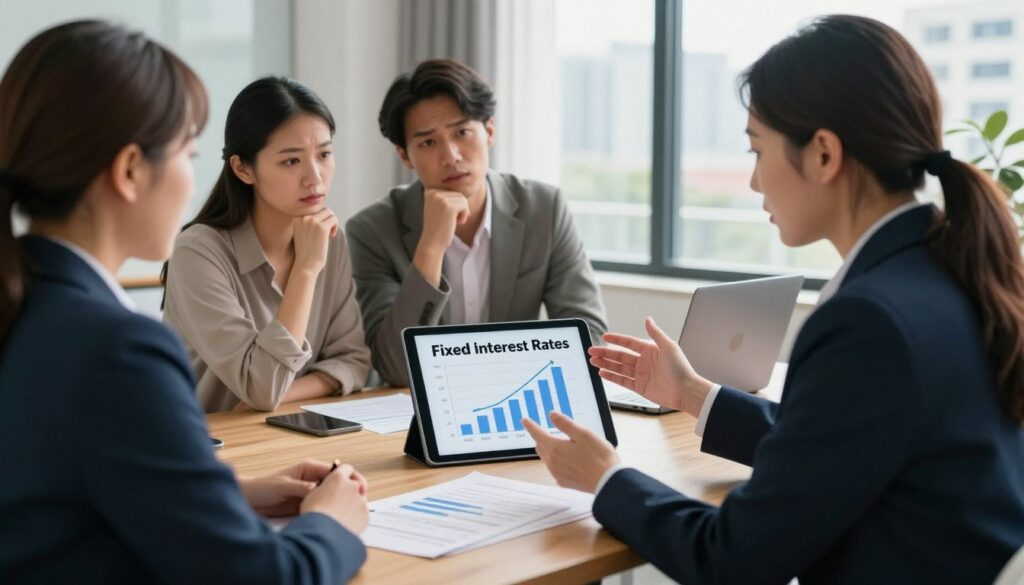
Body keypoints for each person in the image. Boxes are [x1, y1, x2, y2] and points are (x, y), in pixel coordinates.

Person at [523, 15, 1024, 584]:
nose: (755, 182)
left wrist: (607, 477)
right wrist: (693, 393)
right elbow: (841, 446)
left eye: (757, 151)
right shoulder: (949, 272)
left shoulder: (869, 321)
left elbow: (732, 560)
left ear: (824, 155)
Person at [0, 21, 369, 583]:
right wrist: (333, 523)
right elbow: (264, 577)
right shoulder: (120, 348)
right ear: (129, 171)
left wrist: (226, 493)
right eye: (188, 152)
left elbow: (60, 493)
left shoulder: (28, 301)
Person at [346, 59, 608, 387]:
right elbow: (396, 368)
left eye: (462, 132)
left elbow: (590, 339)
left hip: (518, 400)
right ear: (404, 156)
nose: (451, 154)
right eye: (428, 142)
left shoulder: (544, 210)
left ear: (490, 132)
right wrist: (430, 247)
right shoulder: (372, 230)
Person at [162, 77, 371, 412]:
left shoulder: (330, 238)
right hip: (212, 445)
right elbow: (261, 386)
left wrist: (280, 397)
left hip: (289, 435)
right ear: (243, 169)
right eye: (291, 161)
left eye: (325, 154)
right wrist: (306, 269)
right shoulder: (197, 252)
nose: (314, 177)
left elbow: (353, 361)